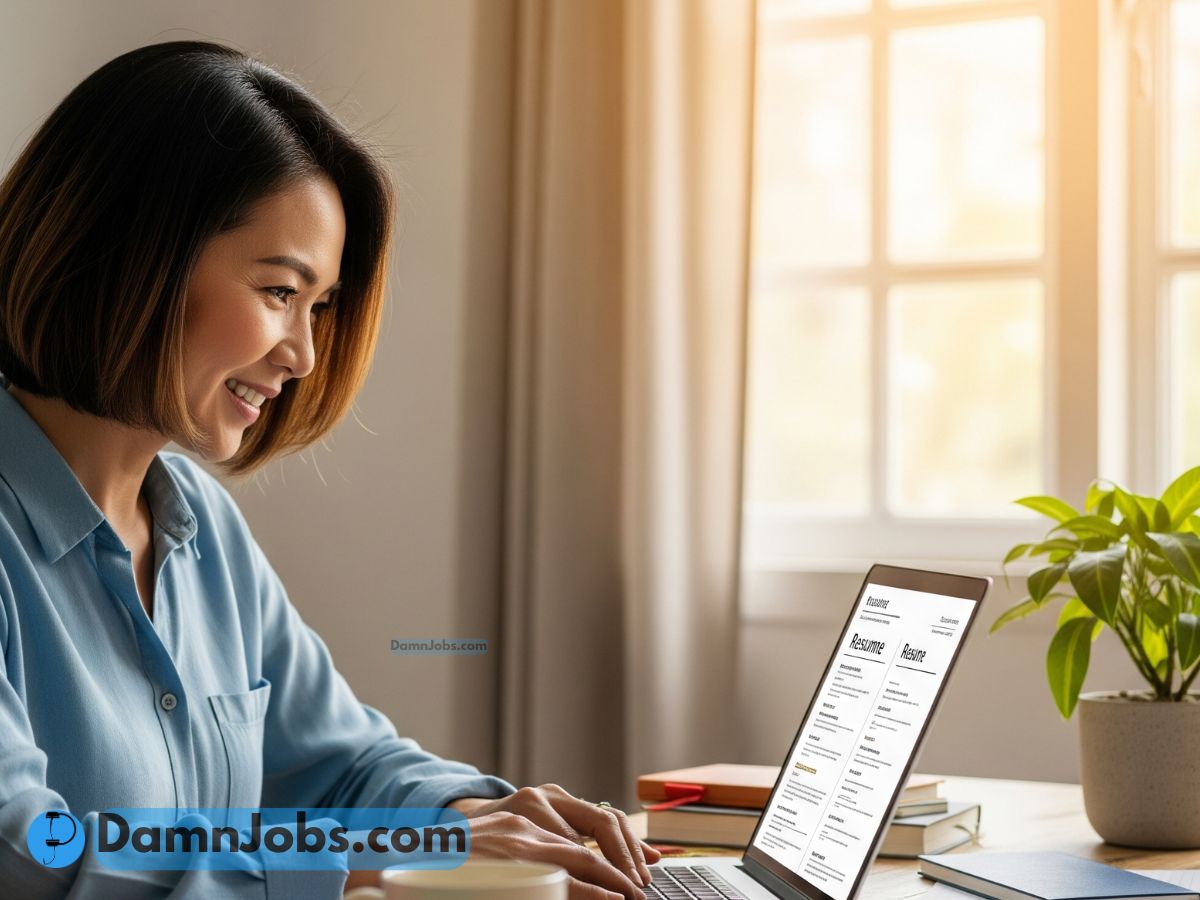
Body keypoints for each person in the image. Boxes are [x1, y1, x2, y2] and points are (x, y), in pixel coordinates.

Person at [0, 41, 659, 899]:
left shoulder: (197, 526)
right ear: (131, 256)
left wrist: (466, 819)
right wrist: (355, 858)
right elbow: (31, 847)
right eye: (279, 292)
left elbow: (340, 766)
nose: (305, 355)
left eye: (319, 307)